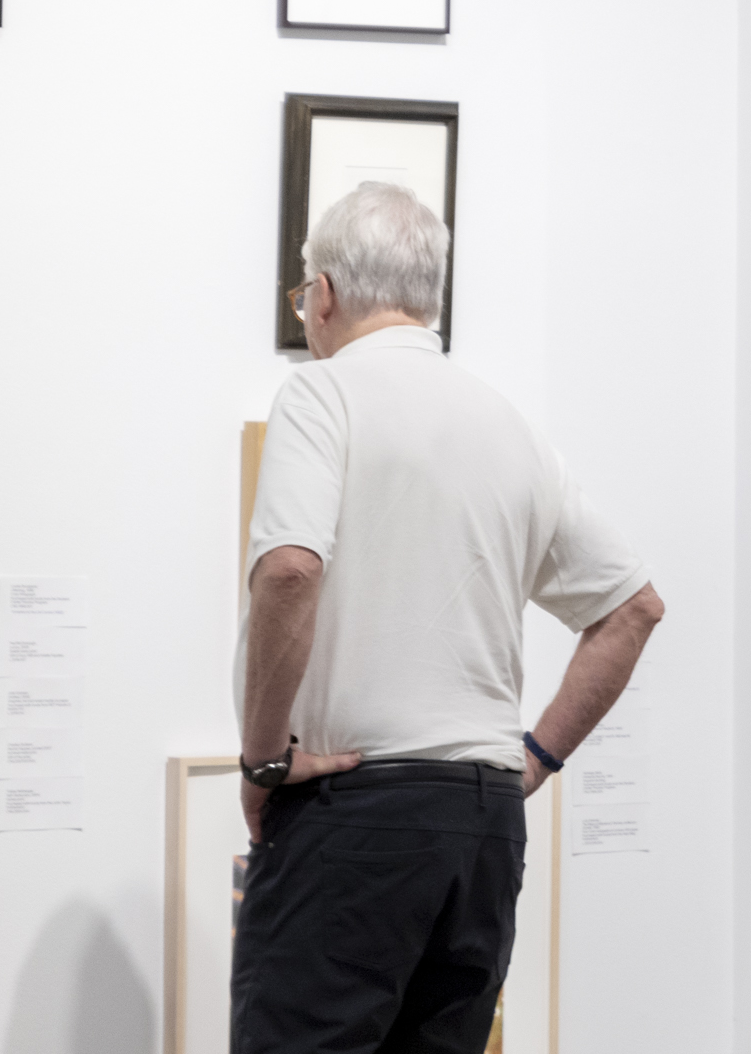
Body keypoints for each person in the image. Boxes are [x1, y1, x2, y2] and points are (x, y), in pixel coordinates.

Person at [235, 181, 664, 1054]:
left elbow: (287, 570)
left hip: (353, 814)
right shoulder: (509, 427)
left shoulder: (322, 395)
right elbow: (633, 607)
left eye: (302, 295)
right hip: (481, 827)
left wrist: (264, 757)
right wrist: (534, 759)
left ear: (323, 294)